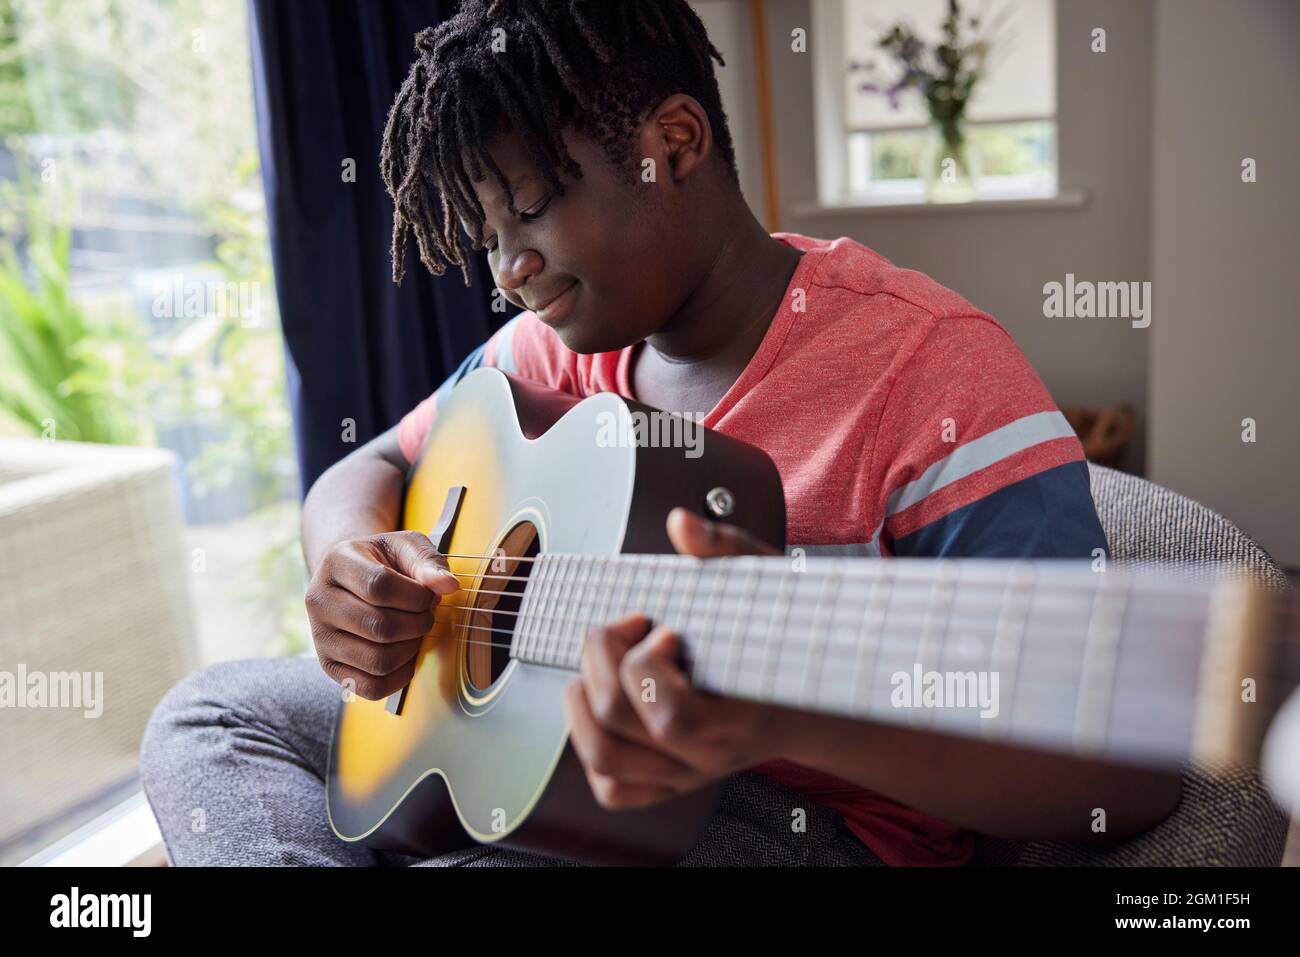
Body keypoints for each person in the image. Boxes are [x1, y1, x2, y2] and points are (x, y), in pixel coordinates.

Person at [141, 0, 1181, 866]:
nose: (507, 270)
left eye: (532, 213)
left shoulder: (929, 372)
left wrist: (775, 716)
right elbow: (369, 465)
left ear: (671, 144)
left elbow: (1118, 778)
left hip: (793, 820)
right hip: (539, 753)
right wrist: (353, 558)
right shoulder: (554, 359)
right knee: (212, 717)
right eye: (488, 236)